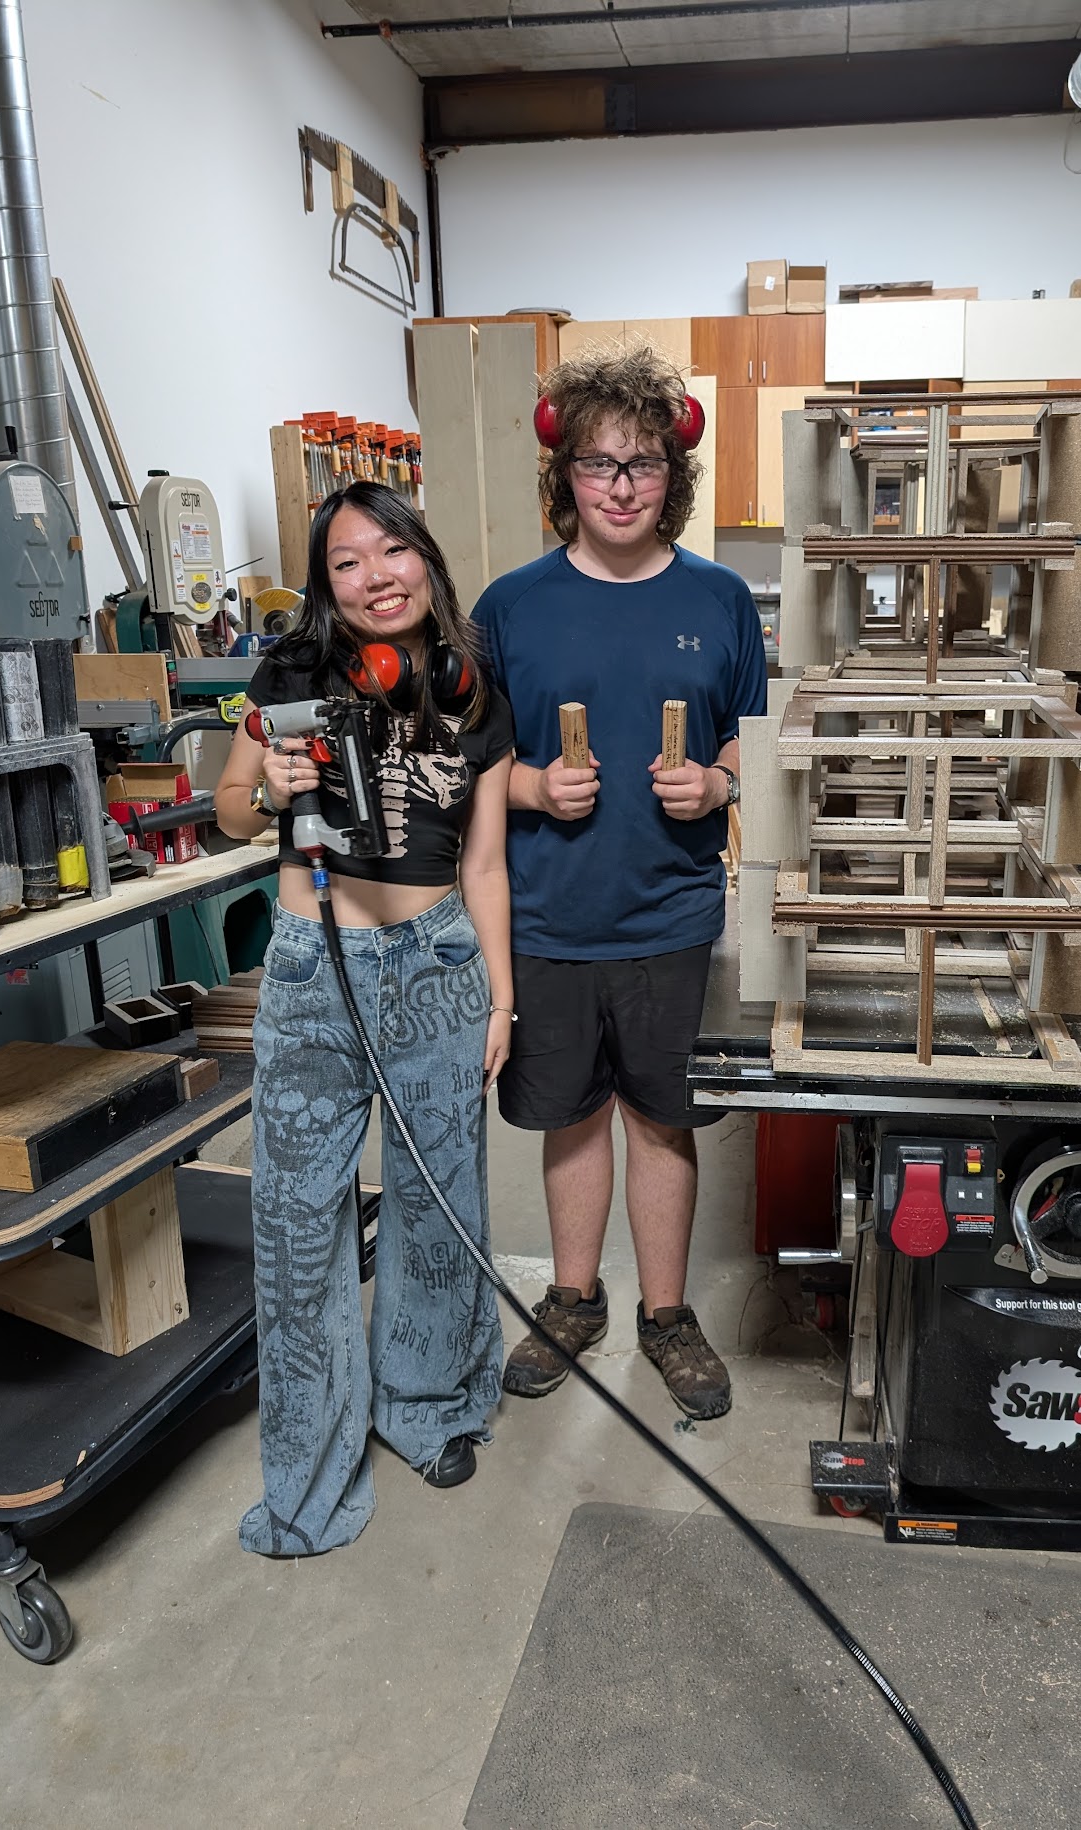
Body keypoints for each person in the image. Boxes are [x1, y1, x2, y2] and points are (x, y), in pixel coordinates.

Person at [215, 480, 515, 1556]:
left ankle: (426, 1407)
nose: (376, 577)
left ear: (424, 557)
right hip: (313, 968)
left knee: (440, 1207)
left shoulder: (474, 689)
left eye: (391, 551)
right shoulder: (291, 674)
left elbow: (485, 862)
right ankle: (309, 1481)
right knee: (300, 1224)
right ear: (326, 585)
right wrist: (269, 783)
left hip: (439, 964)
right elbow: (230, 809)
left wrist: (501, 996)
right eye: (347, 562)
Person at [471, 346, 767, 1422]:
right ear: (566, 475)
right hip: (549, 914)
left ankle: (667, 1315)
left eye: (642, 463)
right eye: (598, 463)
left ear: (672, 474)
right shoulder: (510, 607)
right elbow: (472, 765)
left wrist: (719, 784)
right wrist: (534, 788)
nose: (621, 485)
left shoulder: (721, 599)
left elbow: (751, 742)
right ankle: (574, 1298)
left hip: (671, 914)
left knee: (660, 1118)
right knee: (572, 1116)